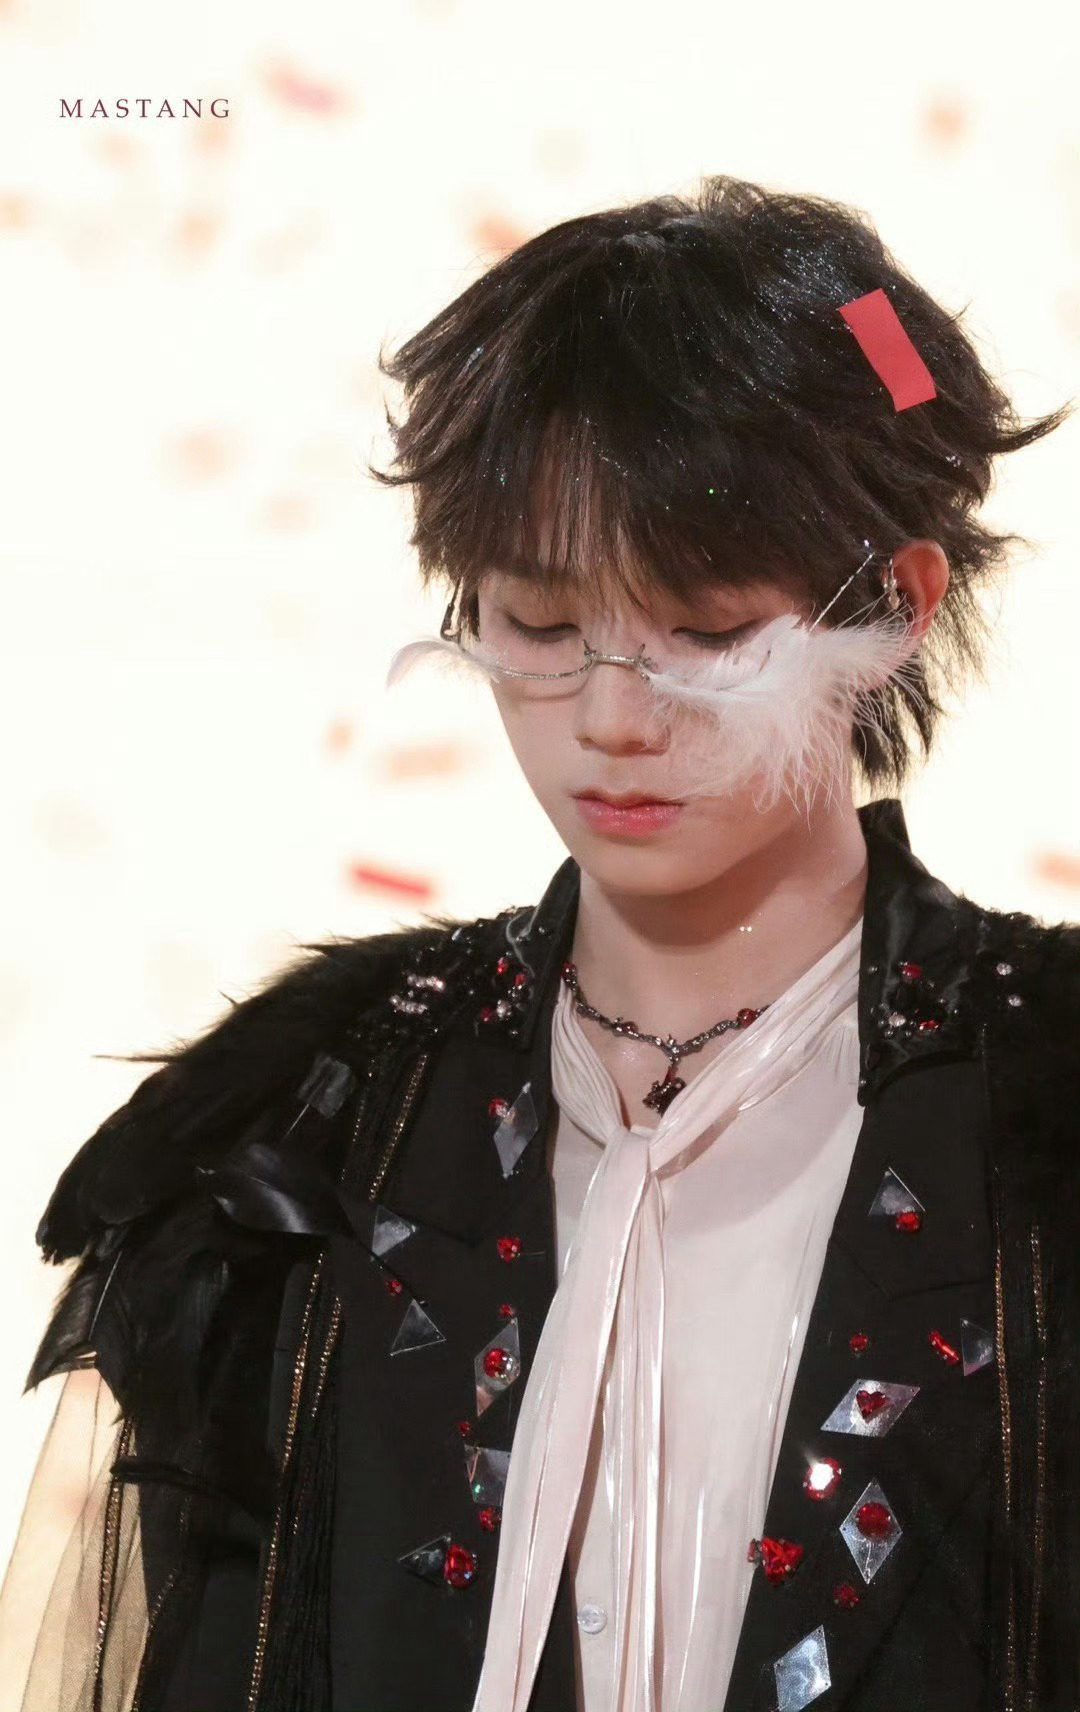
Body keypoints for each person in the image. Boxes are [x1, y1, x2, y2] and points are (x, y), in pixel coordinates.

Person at [1, 174, 1077, 1712]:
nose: (614, 717)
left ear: (895, 605)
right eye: (542, 626)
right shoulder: (302, 1129)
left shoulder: (1049, 1108)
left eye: (708, 633)